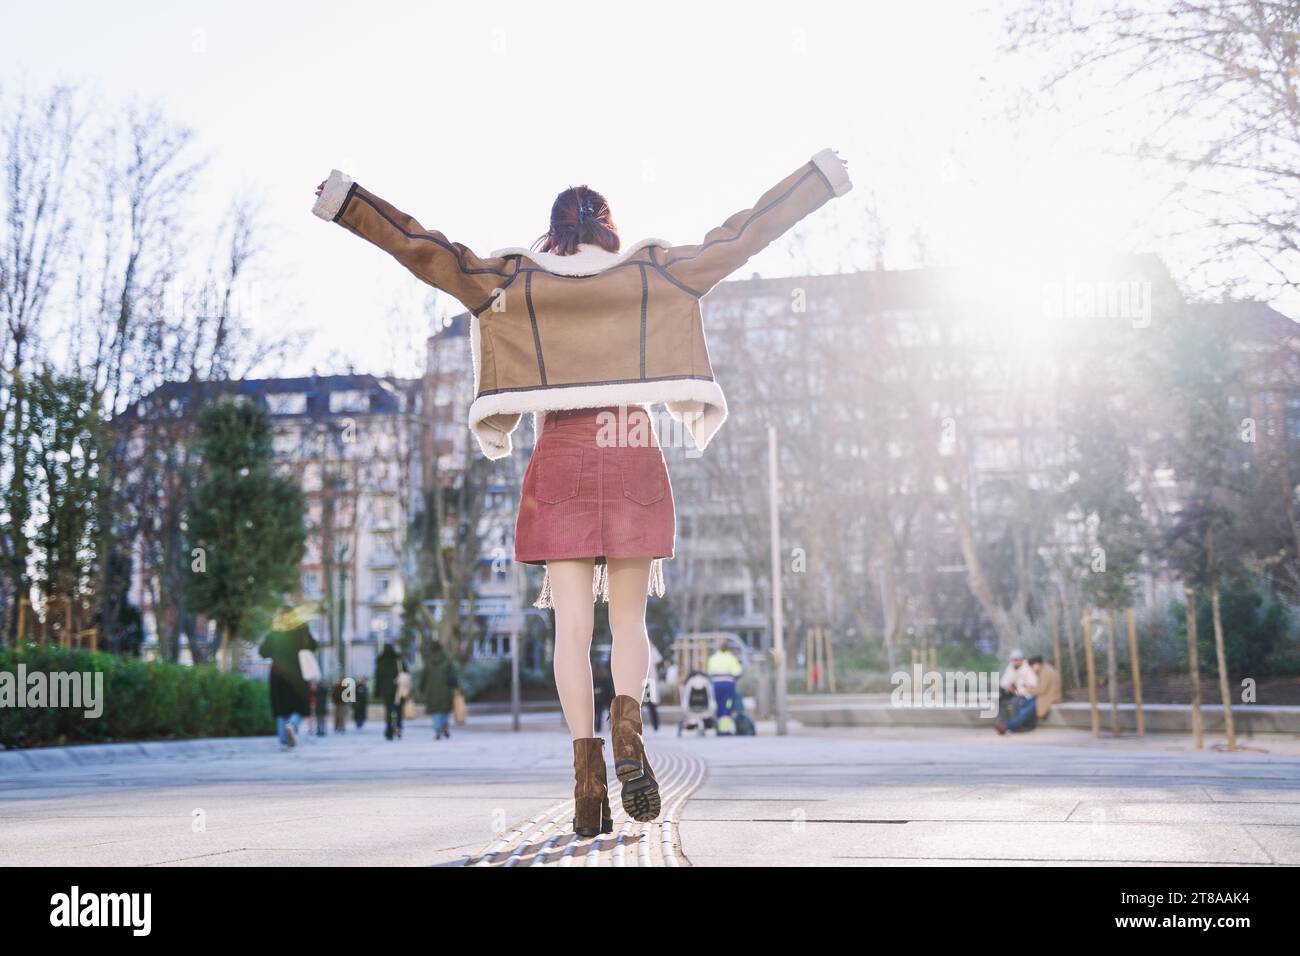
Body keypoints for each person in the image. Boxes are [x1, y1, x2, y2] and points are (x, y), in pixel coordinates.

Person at [313, 146, 853, 836]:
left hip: (562, 461)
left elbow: (429, 253)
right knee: (631, 623)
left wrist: (347, 201)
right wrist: (818, 180)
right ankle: (630, 734)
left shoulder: (517, 281)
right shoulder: (651, 276)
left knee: (572, 630)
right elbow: (740, 238)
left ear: (554, 229)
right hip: (632, 455)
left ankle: (588, 781)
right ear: (607, 228)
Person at [258, 605, 318, 749]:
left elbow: (263, 652)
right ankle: (292, 725)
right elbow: (313, 646)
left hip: (278, 672)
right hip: (297, 671)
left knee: (280, 706)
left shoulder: (275, 631)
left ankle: (283, 739)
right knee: (300, 704)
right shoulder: (301, 629)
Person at [996, 649, 1040, 735]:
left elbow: (1032, 684)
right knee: (1000, 701)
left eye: (1016, 659)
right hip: (1013, 693)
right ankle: (1003, 724)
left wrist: (1019, 688)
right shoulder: (1010, 668)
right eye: (1012, 659)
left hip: (1024, 694)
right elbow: (1004, 681)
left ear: (1021, 660)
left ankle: (1016, 726)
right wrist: (1008, 686)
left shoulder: (1027, 668)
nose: (1014, 662)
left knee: (1016, 702)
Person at [421, 640, 458, 741]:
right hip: (445, 689)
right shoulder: (447, 660)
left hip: (432, 690)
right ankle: (444, 726)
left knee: (436, 710)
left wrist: (421, 688)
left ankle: (438, 729)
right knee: (445, 709)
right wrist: (456, 687)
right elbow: (453, 676)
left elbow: (424, 676)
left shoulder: (428, 661)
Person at [707, 642, 744, 735]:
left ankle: (719, 727)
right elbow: (737, 672)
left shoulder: (713, 658)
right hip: (728, 687)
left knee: (719, 705)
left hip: (716, 686)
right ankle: (725, 729)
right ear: (728, 649)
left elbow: (709, 672)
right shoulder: (731, 658)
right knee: (727, 705)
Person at [375, 644, 401, 741]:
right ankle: (398, 727)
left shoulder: (381, 662)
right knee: (397, 710)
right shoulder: (398, 661)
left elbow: (378, 678)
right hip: (398, 690)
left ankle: (389, 730)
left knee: (389, 711)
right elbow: (405, 673)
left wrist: (376, 692)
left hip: (386, 691)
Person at [643, 642, 663, 732]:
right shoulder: (640, 650)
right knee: (639, 704)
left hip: (650, 682)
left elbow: (659, 659)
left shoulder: (652, 651)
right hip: (642, 681)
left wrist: (652, 646)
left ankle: (655, 725)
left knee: (652, 704)